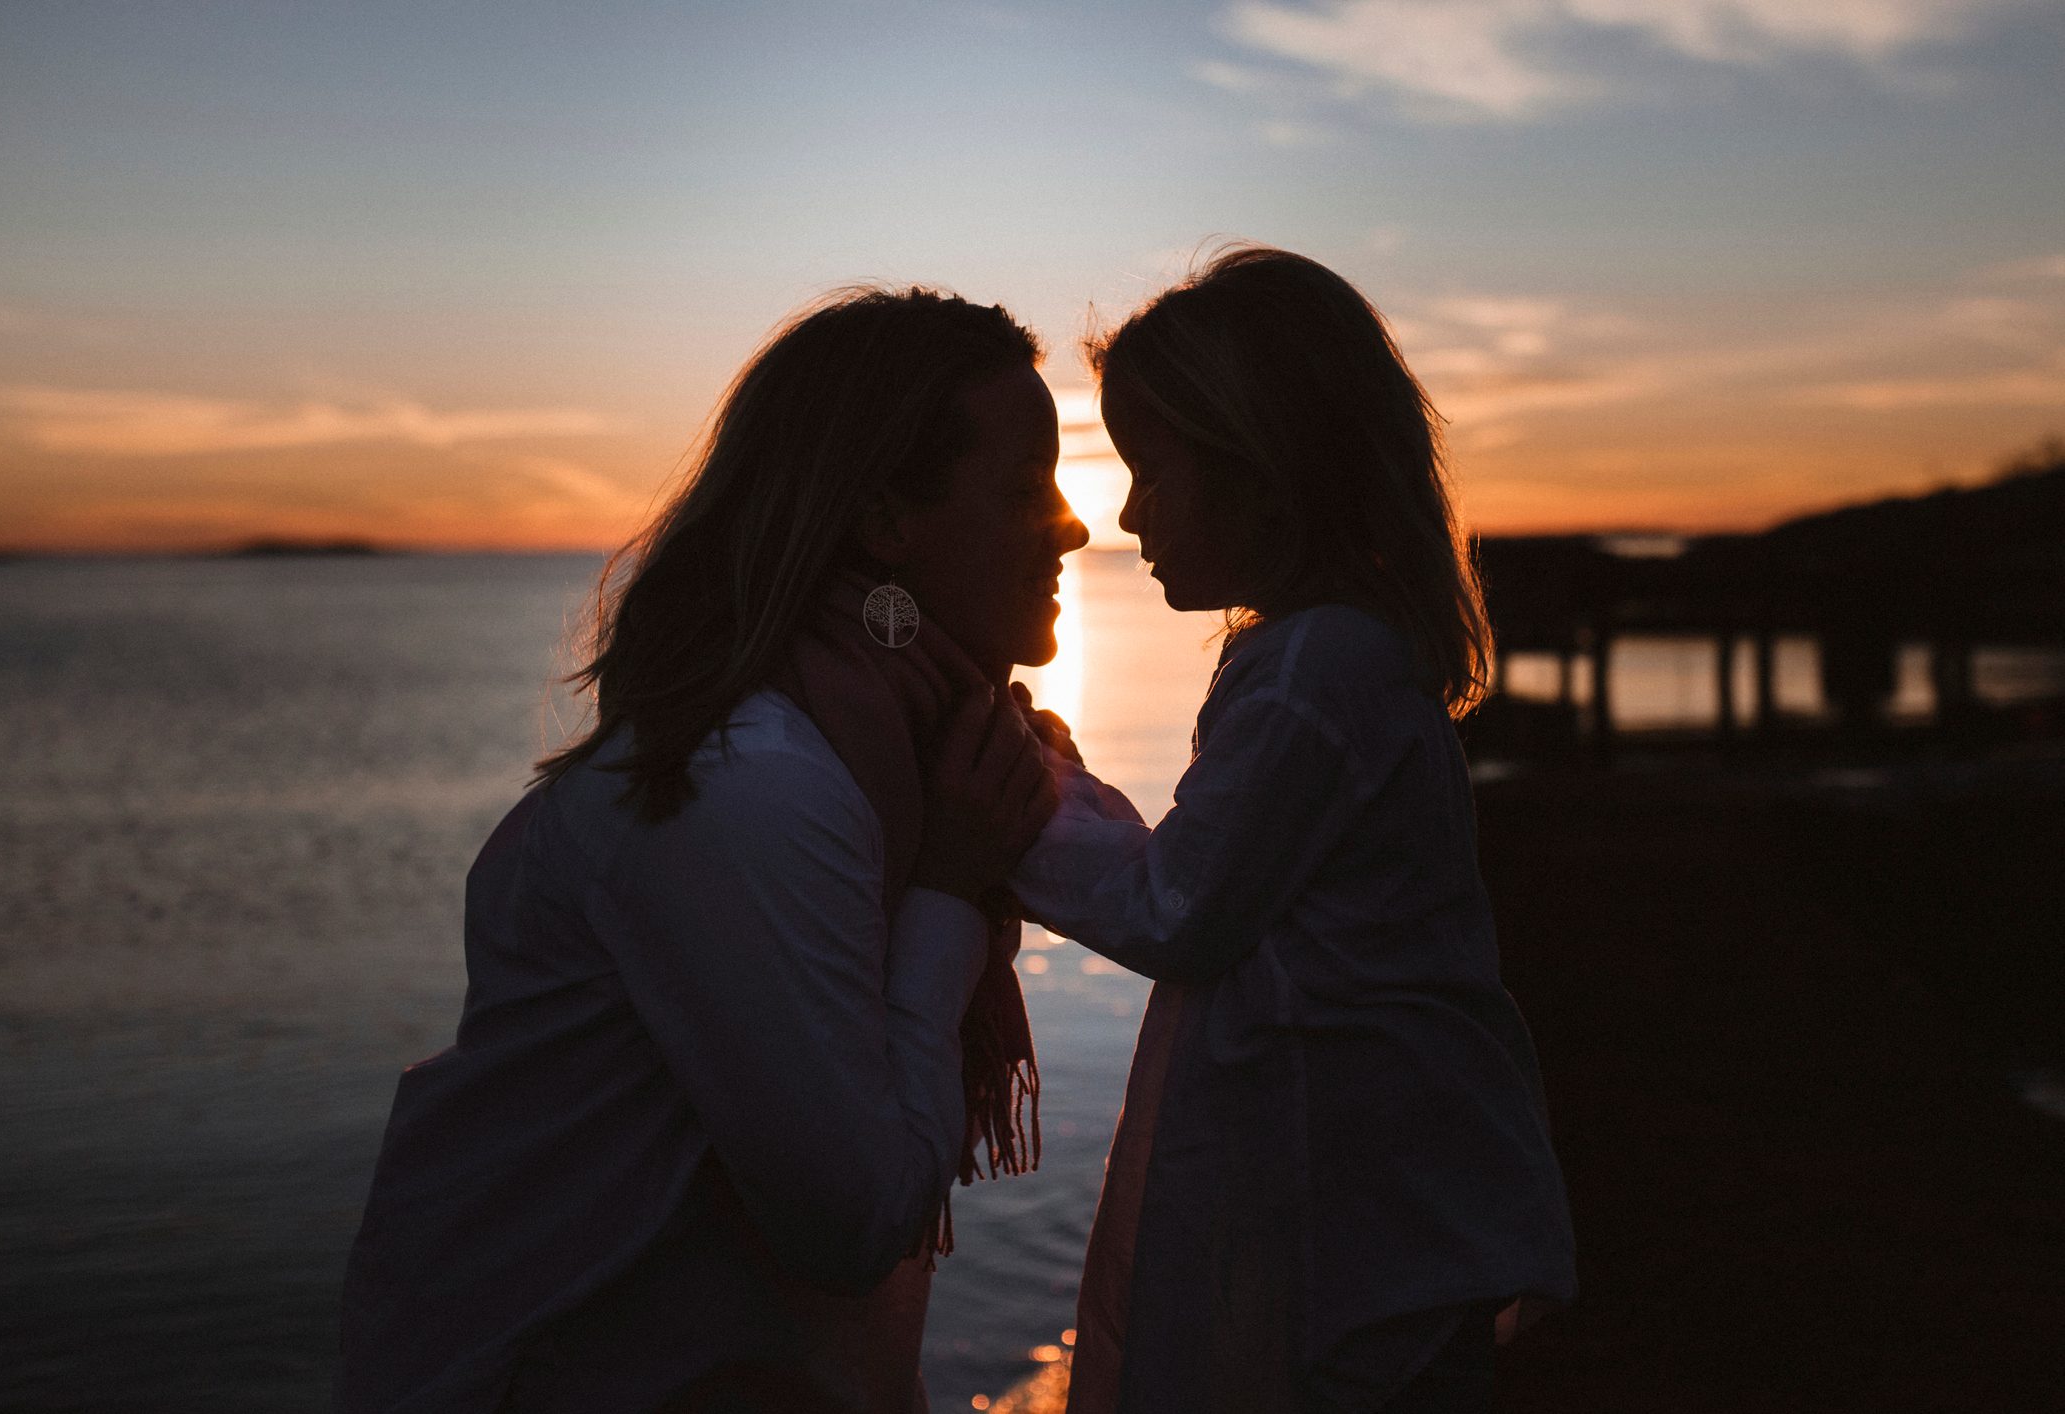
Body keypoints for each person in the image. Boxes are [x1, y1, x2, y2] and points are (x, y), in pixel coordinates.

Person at [336, 285, 1090, 1413]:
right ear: (884, 517)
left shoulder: (901, 745)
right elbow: (851, 1221)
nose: (1075, 522)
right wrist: (948, 886)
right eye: (1026, 486)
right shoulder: (752, 788)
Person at [1011, 247, 1576, 1413]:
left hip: (1358, 1221)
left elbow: (1179, 907)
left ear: (1261, 470)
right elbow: (1212, 875)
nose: (1125, 511)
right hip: (1381, 1194)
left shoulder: (1317, 666)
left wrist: (1008, 803)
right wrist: (1067, 789)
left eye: (1151, 471)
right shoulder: (1336, 655)